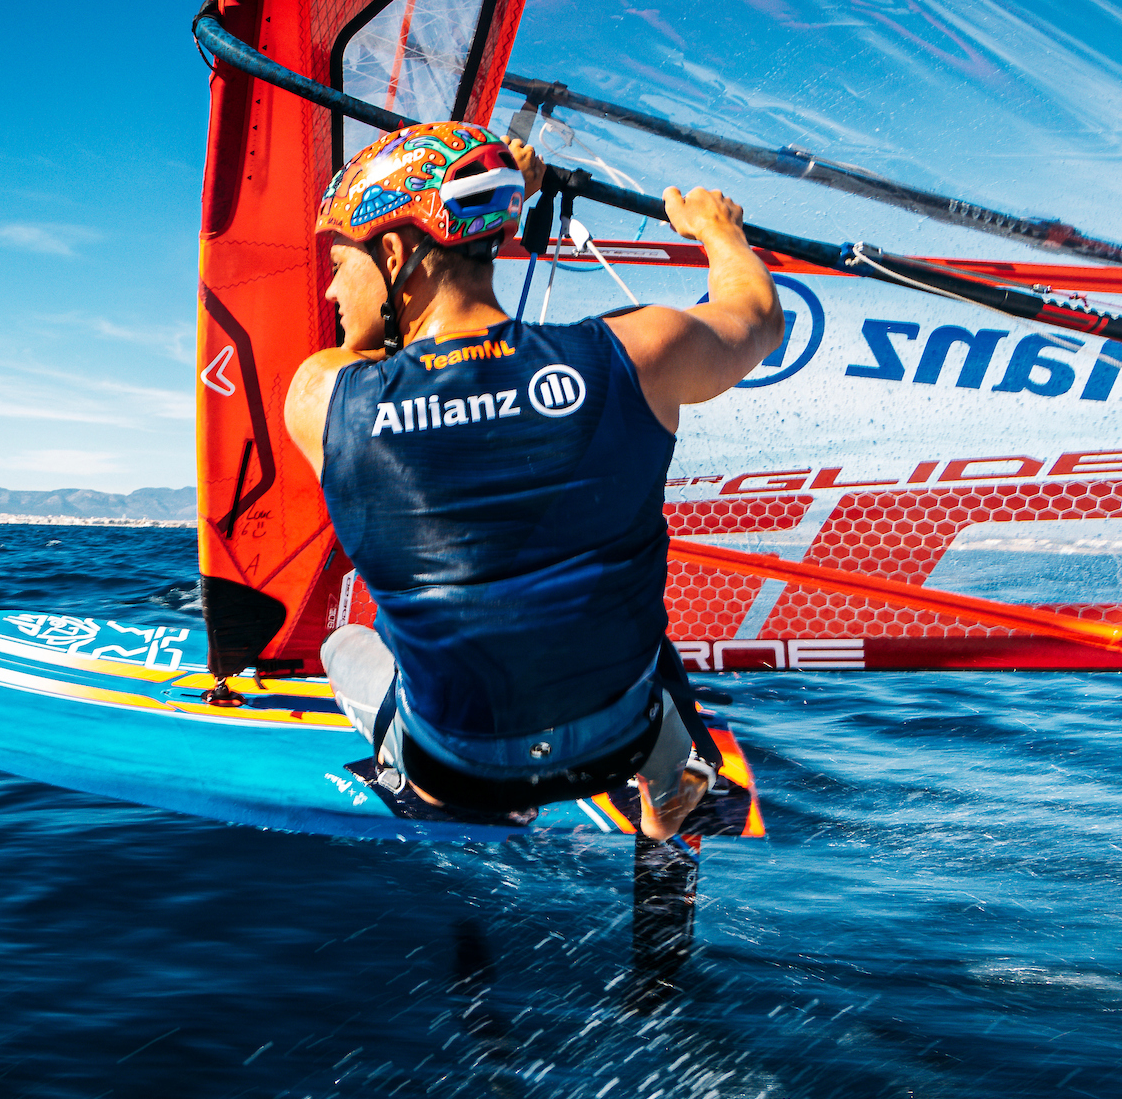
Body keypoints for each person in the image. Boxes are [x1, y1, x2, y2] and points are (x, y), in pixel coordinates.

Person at [283, 121, 783, 841]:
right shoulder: (635, 353)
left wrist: (500, 207)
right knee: (623, 597)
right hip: (619, 742)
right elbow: (758, 319)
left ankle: (428, 780)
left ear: (394, 252)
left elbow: (380, 357)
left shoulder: (321, 399)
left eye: (343, 262)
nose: (331, 286)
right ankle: (669, 778)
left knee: (344, 647)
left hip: (458, 770)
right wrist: (718, 230)